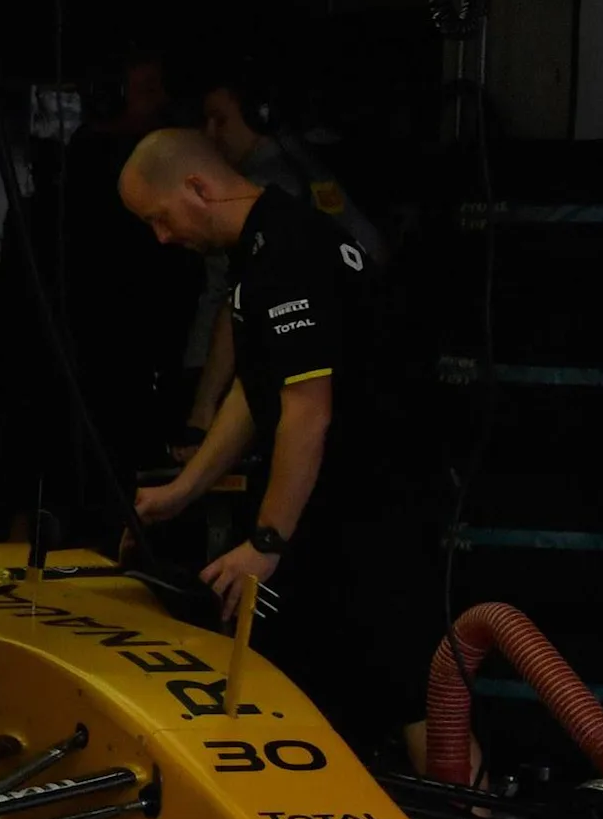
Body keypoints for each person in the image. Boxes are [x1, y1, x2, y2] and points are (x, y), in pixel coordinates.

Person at [124, 126, 402, 744]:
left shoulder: (286, 251)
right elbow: (257, 388)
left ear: (198, 186)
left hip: (377, 506)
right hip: (329, 508)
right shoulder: (262, 247)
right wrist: (183, 492)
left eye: (161, 218)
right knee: (322, 686)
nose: (163, 237)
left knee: (408, 693)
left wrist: (265, 541)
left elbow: (307, 411)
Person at [174, 76, 388, 449]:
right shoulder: (312, 169)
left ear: (260, 115)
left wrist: (203, 405)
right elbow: (374, 250)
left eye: (220, 119)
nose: (210, 133)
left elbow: (234, 302)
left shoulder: (254, 194)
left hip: (284, 378)